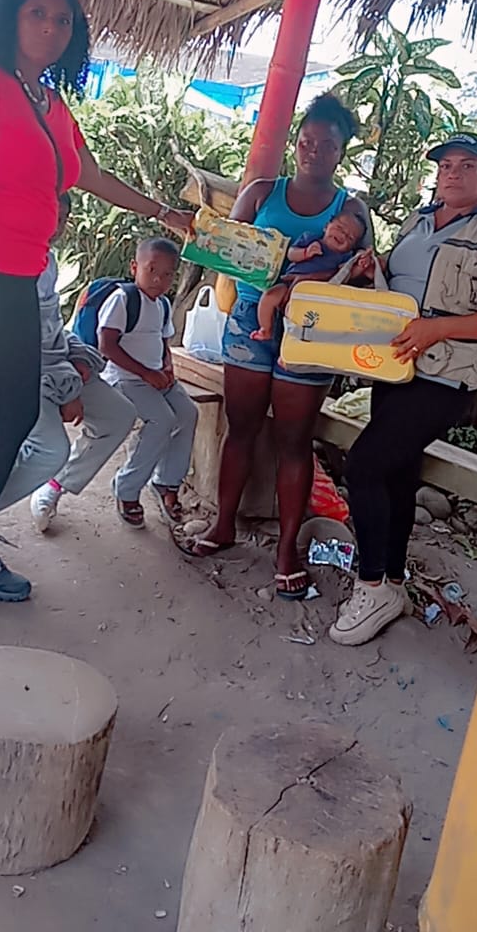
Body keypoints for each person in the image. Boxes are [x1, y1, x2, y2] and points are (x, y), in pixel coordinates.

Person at [0, 0, 193, 622]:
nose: (52, 28)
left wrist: (163, 213)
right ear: (10, 17)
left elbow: (88, 173)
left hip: (18, 284)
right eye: (38, 14)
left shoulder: (50, 105)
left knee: (11, 422)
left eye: (63, 20)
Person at [329, 132, 477, 647]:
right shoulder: (416, 224)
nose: (453, 174)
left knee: (364, 466)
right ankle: (393, 583)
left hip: (446, 376)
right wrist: (373, 271)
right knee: (397, 474)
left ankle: (370, 585)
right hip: (396, 366)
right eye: (445, 166)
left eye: (467, 166)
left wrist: (437, 329)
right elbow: (400, 291)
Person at [187, 92, 369, 600]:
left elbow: (361, 275)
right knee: (241, 427)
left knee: (294, 441)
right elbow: (224, 248)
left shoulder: (351, 209)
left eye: (326, 144)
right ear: (296, 142)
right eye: (306, 141)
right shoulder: (262, 192)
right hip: (250, 320)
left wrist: (303, 282)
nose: (313, 151)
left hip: (311, 329)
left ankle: (287, 551)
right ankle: (223, 524)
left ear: (341, 152)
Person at [0, 194, 136, 535]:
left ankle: (53, 486)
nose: (55, 226)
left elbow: (52, 329)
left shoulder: (47, 262)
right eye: (51, 215)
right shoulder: (3, 263)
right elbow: (17, 344)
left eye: (62, 218)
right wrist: (67, 388)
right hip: (23, 371)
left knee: (119, 415)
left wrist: (77, 357)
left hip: (57, 365)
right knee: (49, 450)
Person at [98, 236, 198, 529]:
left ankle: (167, 482)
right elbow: (107, 346)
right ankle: (127, 490)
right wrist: (146, 373)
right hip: (125, 378)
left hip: (155, 376)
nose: (158, 279)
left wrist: (167, 367)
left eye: (167, 274)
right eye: (151, 270)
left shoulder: (163, 304)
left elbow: (163, 341)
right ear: (135, 267)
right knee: (161, 421)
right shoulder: (123, 299)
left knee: (188, 413)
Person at [250, 209, 366, 341]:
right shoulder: (310, 239)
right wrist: (305, 253)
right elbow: (291, 254)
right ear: (326, 226)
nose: (343, 235)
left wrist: (360, 266)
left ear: (352, 247)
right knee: (270, 296)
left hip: (316, 296)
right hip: (288, 285)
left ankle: (293, 344)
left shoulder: (344, 257)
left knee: (303, 318)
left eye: (350, 237)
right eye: (340, 228)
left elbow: (348, 273)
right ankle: (265, 329)